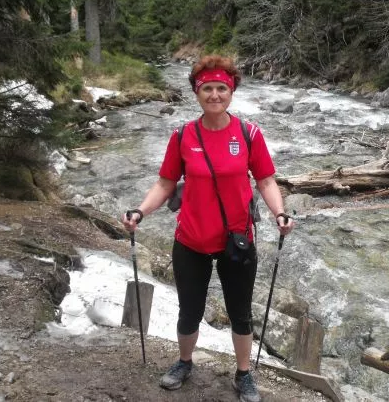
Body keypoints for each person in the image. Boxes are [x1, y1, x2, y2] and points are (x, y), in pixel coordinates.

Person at [121, 55, 294, 402]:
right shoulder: (183, 136)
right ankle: (184, 362)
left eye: (221, 88)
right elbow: (165, 183)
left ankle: (243, 374)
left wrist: (279, 212)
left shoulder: (249, 134)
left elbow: (265, 180)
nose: (215, 95)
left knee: (240, 314)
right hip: (191, 239)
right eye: (207, 89)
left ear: (231, 92)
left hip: (237, 240)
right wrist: (140, 211)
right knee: (190, 311)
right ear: (196, 93)